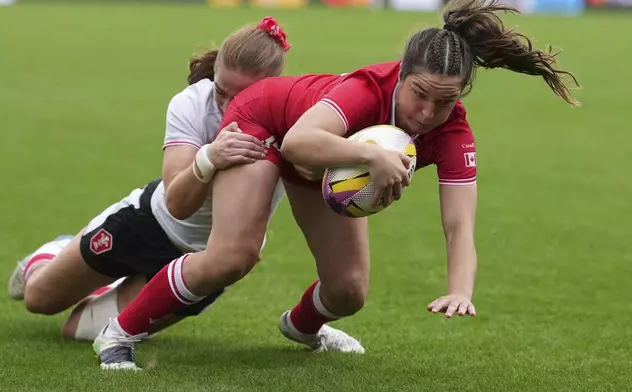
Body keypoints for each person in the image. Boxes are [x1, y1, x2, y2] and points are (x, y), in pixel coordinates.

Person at [94, 0, 580, 371]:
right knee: (232, 256)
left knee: (348, 292)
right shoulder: (367, 88)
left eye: (445, 101)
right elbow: (302, 141)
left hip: (321, 162)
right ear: (401, 76)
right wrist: (371, 153)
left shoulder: (455, 135)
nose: (428, 113)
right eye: (419, 95)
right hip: (265, 122)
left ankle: (302, 329)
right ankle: (119, 333)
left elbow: (460, 227)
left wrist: (460, 289)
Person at [6, 16, 323, 344]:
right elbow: (177, 203)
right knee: (39, 300)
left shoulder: (296, 117)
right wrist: (210, 156)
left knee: (78, 332)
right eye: (221, 91)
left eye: (242, 95)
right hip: (149, 225)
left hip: (207, 260)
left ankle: (121, 285)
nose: (227, 105)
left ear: (273, 85)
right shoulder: (192, 103)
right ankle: (57, 250)